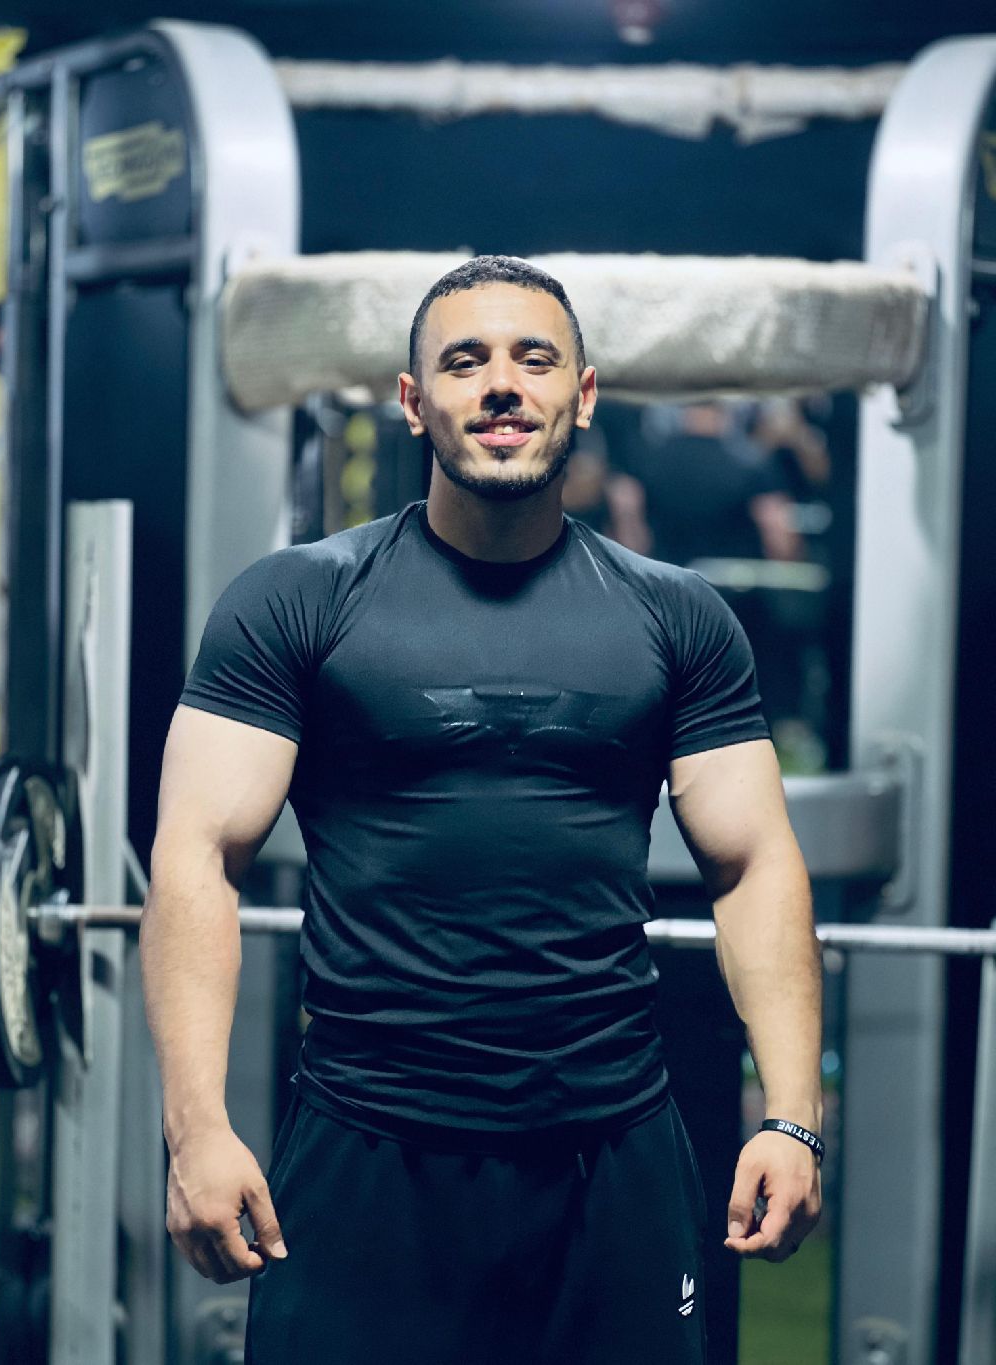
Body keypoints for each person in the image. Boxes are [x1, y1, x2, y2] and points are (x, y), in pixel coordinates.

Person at [140, 256, 822, 1365]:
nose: (502, 383)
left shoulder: (679, 617)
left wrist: (792, 1114)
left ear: (582, 396)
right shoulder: (297, 600)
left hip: (611, 1156)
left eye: (532, 358)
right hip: (370, 1153)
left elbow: (752, 866)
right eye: (465, 361)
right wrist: (195, 1128)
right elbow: (197, 858)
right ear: (414, 403)